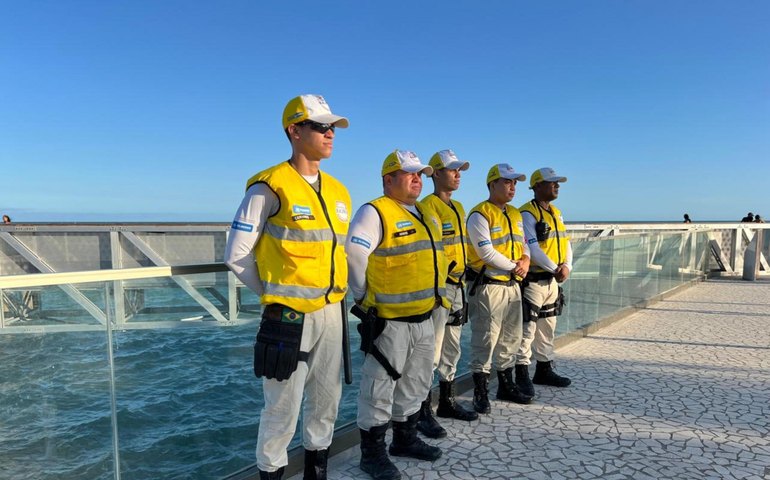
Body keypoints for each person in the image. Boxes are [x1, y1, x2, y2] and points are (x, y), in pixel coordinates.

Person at [224, 94, 351, 480]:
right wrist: (273, 294)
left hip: (333, 313)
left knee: (326, 403)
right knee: (281, 411)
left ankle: (317, 474)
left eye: (332, 128)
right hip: (288, 317)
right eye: (321, 127)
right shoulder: (269, 187)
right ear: (295, 131)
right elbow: (237, 254)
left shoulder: (339, 191)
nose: (330, 134)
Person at [346, 150, 448, 480]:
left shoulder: (424, 213)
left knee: (417, 383)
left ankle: (404, 440)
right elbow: (354, 255)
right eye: (408, 173)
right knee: (378, 388)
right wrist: (363, 297)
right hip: (389, 321)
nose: (417, 178)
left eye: (419, 173)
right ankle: (371, 454)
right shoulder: (375, 212)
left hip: (424, 317)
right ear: (388, 179)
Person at [414, 149, 478, 439]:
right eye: (452, 169)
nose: (457, 174)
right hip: (440, 290)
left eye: (459, 170)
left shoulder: (458, 207)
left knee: (452, 347)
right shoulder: (428, 206)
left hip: (459, 287)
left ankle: (448, 401)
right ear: (436, 174)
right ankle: (422, 410)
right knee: (432, 350)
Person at [466, 163, 533, 415]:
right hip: (489, 285)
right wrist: (516, 267)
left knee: (511, 337)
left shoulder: (515, 214)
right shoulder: (479, 214)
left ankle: (506, 384)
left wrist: (525, 260)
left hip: (512, 285)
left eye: (514, 182)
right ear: (492, 184)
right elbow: (485, 252)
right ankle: (480, 391)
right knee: (485, 338)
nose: (512, 186)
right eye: (507, 182)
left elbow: (524, 243)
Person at [515, 167, 573, 398]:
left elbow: (566, 242)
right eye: (551, 183)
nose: (556, 186)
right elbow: (531, 247)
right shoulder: (527, 214)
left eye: (557, 182)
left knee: (548, 328)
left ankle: (544, 368)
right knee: (527, 329)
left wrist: (567, 266)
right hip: (534, 280)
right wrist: (555, 268)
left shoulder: (556, 213)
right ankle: (521, 373)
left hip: (552, 281)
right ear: (537, 186)